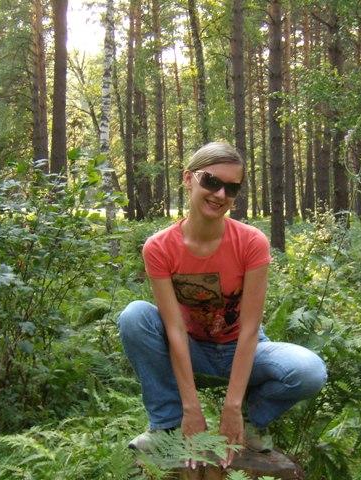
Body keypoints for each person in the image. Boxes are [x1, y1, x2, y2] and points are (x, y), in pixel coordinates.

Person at [117, 141, 327, 468]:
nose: (220, 194)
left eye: (232, 188)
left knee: (309, 370)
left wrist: (232, 407)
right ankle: (166, 425)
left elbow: (249, 329)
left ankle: (252, 423)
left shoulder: (251, 242)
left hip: (243, 350)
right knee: (135, 316)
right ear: (188, 178)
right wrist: (191, 409)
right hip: (192, 350)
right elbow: (174, 329)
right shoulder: (159, 248)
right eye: (211, 181)